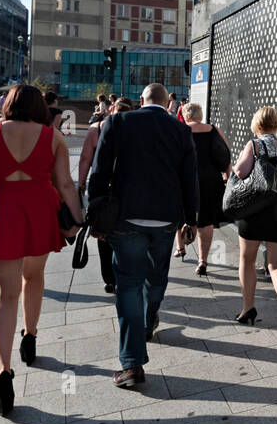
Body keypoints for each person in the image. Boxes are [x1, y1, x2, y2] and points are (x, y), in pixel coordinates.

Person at [0, 84, 83, 415]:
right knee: (34, 276)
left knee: (4, 293)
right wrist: (78, 217)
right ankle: (30, 337)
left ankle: (3, 371)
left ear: (8, 104)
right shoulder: (52, 136)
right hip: (39, 209)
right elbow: (65, 184)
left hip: (1, 208)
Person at [88, 83, 198, 388]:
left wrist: (96, 210)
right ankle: (149, 321)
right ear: (166, 104)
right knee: (157, 277)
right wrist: (191, 219)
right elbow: (190, 179)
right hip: (165, 220)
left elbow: (100, 171)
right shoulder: (181, 131)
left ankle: (132, 364)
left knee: (128, 286)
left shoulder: (119, 121)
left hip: (126, 219)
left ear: (141, 100)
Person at [233, 106, 277, 337]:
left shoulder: (254, 145)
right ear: (276, 124)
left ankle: (248, 308)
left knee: (247, 259)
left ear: (257, 124)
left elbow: (241, 172)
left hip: (256, 209)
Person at [78, 96, 134, 292]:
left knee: (104, 232)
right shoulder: (136, 128)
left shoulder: (97, 128)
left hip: (103, 188)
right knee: (128, 232)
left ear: (112, 109)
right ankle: (125, 273)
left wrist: (82, 183)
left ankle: (109, 278)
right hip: (129, 187)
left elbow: (86, 158)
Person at [182, 102, 229, 276]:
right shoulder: (214, 130)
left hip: (186, 179)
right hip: (211, 179)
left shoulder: (181, 130)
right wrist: (227, 175)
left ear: (186, 115)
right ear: (200, 114)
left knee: (183, 215)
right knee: (206, 220)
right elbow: (226, 153)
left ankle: (183, 244)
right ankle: (202, 260)